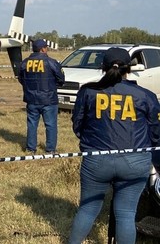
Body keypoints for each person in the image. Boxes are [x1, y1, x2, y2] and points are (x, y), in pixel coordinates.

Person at [68, 48, 160, 243]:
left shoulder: (87, 92)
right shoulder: (146, 96)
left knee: (87, 209)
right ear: (130, 69)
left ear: (102, 66)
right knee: (126, 214)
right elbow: (156, 133)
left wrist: (89, 143)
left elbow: (78, 125)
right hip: (136, 161)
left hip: (96, 160)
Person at [18, 39, 64, 154]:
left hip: (31, 100)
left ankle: (30, 149)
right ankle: (50, 150)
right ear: (42, 49)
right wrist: (53, 86)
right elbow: (61, 79)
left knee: (32, 124)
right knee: (51, 125)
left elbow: (21, 79)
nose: (47, 49)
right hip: (49, 99)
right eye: (46, 47)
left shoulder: (24, 63)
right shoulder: (51, 62)